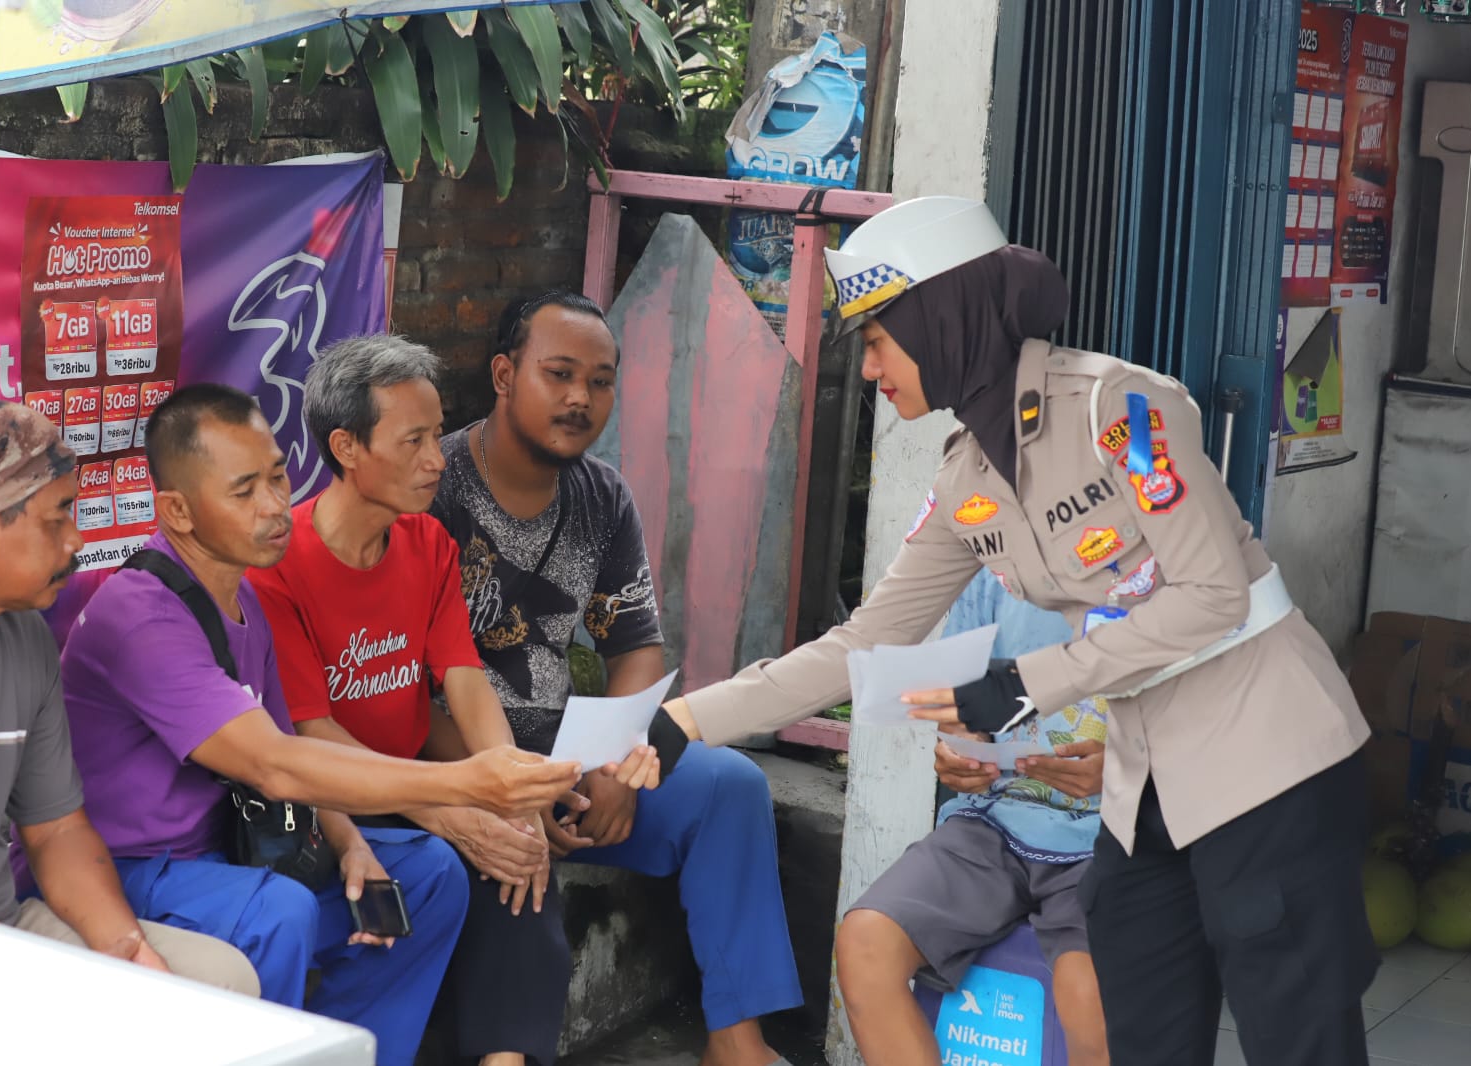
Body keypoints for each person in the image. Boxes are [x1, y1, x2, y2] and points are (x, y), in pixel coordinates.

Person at [654, 197, 1376, 1066]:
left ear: (941, 316)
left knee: (1297, 1039)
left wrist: (1024, 686)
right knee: (1143, 1039)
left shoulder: (1121, 410)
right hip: (1146, 792)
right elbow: (865, 643)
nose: (871, 368)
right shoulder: (968, 481)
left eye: (878, 339)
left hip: (1268, 759)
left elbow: (1213, 595)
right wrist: (685, 721)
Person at [58, 384, 584, 1066]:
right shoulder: (141, 616)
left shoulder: (243, 596)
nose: (275, 505)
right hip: (138, 868)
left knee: (426, 874)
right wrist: (467, 785)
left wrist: (350, 842)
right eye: (244, 491)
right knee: (281, 912)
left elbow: (291, 745)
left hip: (235, 849)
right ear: (178, 512)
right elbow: (274, 764)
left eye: (277, 477)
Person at [248, 333, 656, 1066]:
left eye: (436, 435)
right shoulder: (280, 567)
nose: (437, 460)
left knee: (518, 859)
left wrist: (514, 792)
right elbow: (310, 729)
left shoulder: (428, 545)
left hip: (423, 780)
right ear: (346, 447)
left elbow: (465, 681)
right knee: (470, 851)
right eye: (413, 441)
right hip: (333, 798)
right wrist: (450, 806)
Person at [427, 292, 804, 1066]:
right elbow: (400, 691)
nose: (581, 398)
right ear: (504, 375)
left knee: (729, 786)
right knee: (515, 872)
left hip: (569, 759)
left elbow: (635, 647)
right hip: (459, 767)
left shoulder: (603, 497)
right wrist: (504, 787)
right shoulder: (433, 490)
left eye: (600, 382)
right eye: (559, 374)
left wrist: (616, 761)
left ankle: (736, 1042)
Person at [0, 399, 256, 994]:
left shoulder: (25, 638)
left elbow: (55, 830)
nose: (77, 540)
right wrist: (29, 979)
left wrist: (126, 947)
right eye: (57, 516)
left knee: (221, 980)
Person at [834, 571, 1109, 1065]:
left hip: (1115, 838)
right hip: (993, 821)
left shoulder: (1173, 570)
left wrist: (1128, 771)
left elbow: (1215, 735)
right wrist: (962, 752)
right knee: (865, 943)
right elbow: (958, 709)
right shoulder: (995, 571)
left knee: (1089, 993)